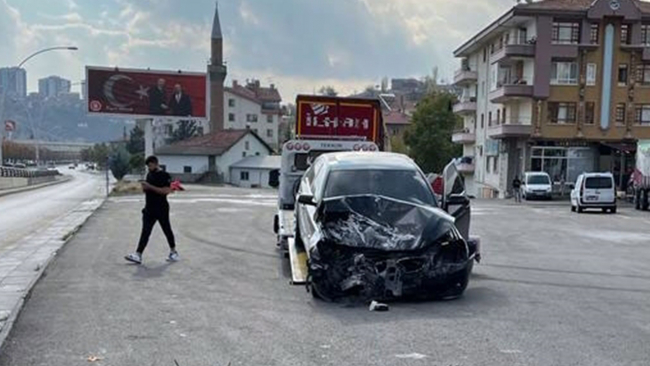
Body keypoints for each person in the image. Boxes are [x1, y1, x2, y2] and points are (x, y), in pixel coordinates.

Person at [125, 156, 178, 264]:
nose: (149, 168)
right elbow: (149, 190)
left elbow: (166, 191)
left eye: (150, 165)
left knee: (166, 229)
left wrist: (150, 187)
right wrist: (145, 188)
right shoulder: (149, 174)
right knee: (145, 231)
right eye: (148, 166)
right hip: (149, 208)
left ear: (156, 163)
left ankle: (173, 251)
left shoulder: (164, 175)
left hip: (161, 208)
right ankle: (138, 254)